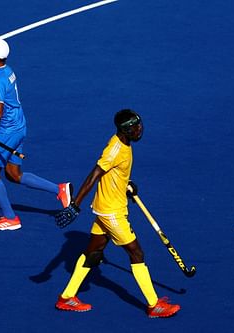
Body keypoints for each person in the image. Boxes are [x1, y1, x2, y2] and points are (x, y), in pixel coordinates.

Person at [54, 109, 181, 318]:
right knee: (136, 253)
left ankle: (67, 297)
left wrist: (125, 185)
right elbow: (94, 174)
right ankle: (154, 305)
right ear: (124, 130)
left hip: (106, 207)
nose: (139, 130)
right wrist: (75, 204)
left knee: (94, 253)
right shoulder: (115, 149)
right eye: (134, 127)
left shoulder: (124, 144)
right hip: (112, 212)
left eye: (139, 124)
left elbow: (115, 172)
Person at [0, 35, 72, 230]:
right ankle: (60, 189)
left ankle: (10, 218)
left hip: (7, 131)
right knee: (13, 174)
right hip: (19, 126)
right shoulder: (4, 71)